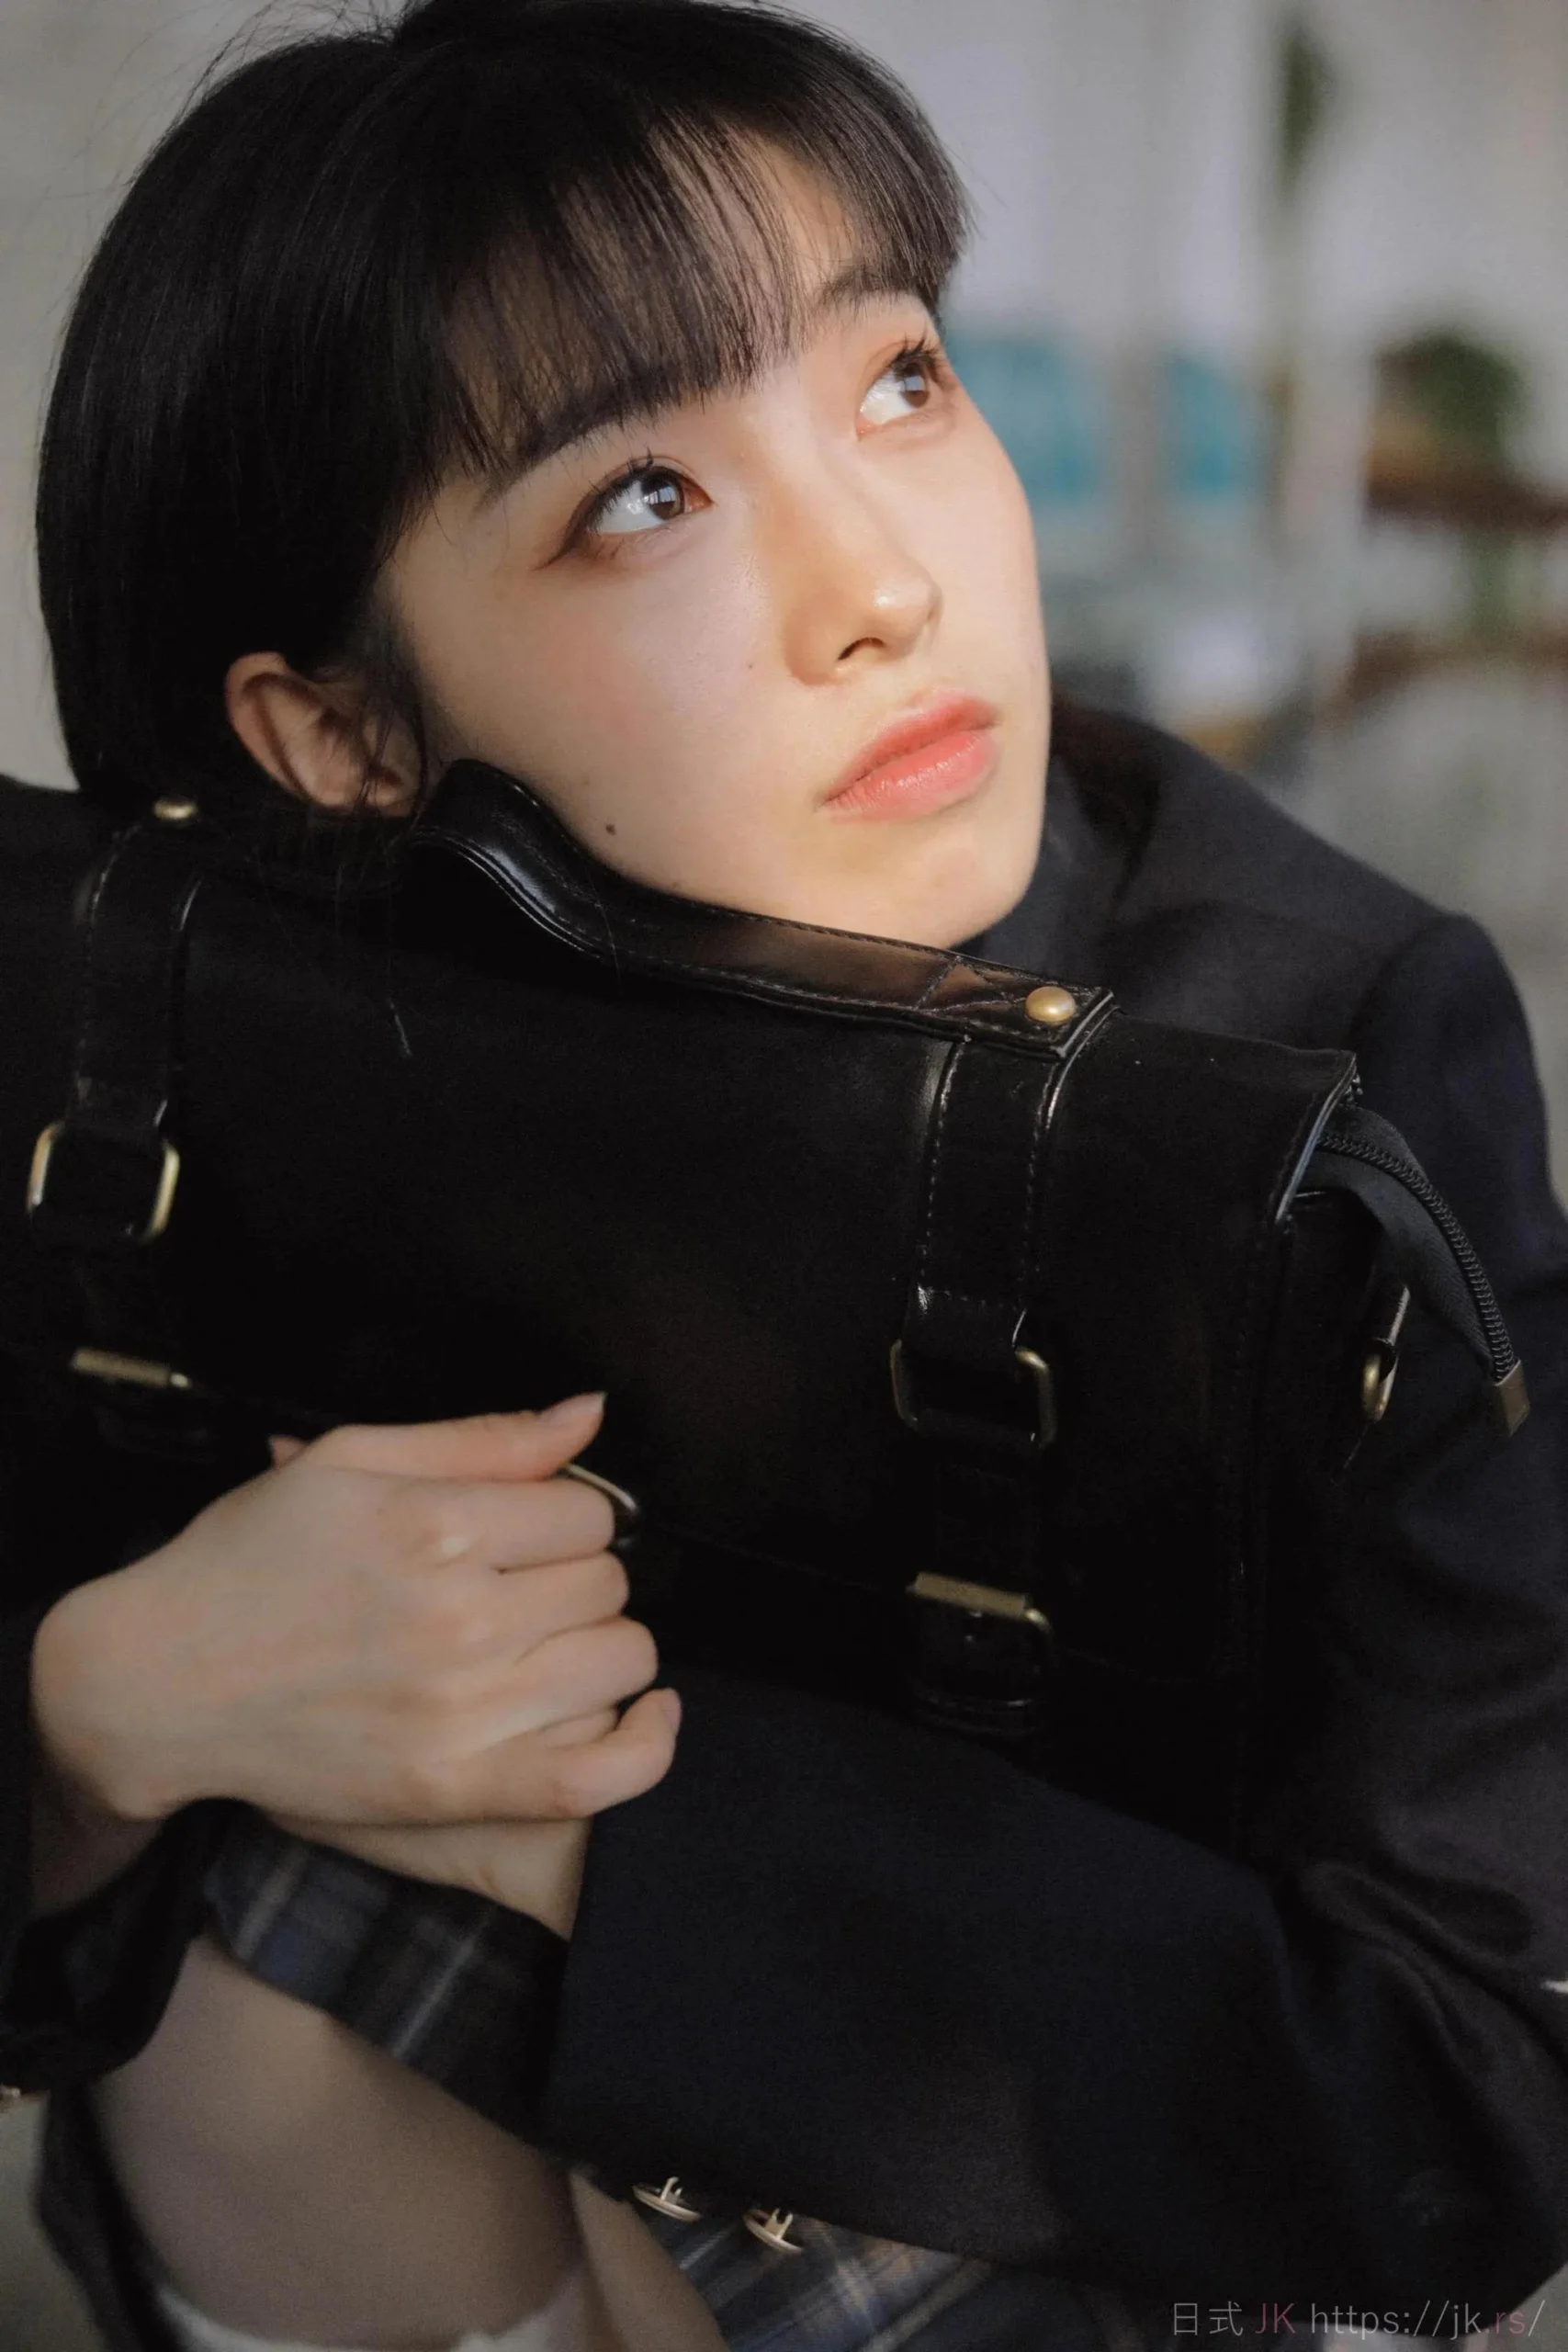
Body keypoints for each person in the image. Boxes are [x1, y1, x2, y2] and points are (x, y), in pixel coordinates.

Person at [4, 1, 1568, 2346]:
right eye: (643, 496)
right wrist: (105, 1709)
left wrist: (579, 1808)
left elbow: (1473, 2096)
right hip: (384, 2191)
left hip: (1144, 2190)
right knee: (242, 1927)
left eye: (900, 380)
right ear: (335, 734)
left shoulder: (1330, 1048)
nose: (880, 582)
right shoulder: (229, 1034)